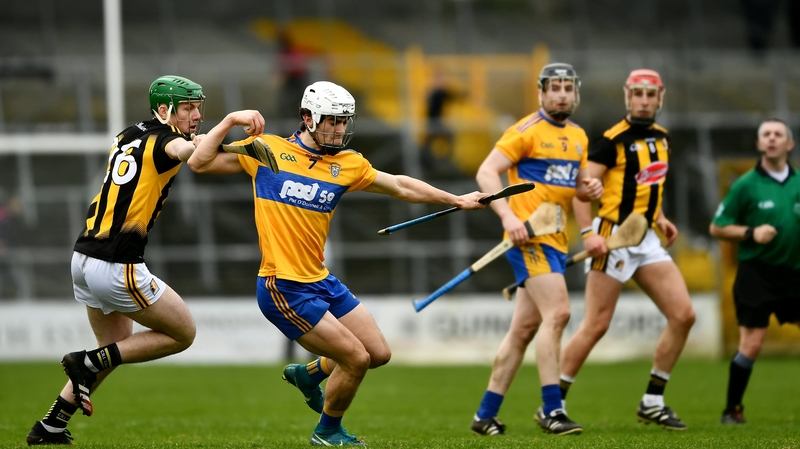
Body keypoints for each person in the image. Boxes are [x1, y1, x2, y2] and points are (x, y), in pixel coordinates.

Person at [187, 80, 488, 446]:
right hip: (281, 285)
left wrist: (455, 199)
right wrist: (232, 119)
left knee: (378, 353)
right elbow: (199, 162)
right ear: (308, 118)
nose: (339, 129)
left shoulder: (348, 164)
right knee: (356, 359)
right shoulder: (267, 151)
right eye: (332, 121)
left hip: (321, 279)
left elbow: (400, 185)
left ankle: (310, 374)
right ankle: (327, 431)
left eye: (344, 122)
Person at [26, 75, 206, 445]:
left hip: (83, 258)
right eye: (188, 107)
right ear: (163, 109)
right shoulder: (166, 142)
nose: (196, 114)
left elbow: (181, 146)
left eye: (197, 107)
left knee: (115, 349)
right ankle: (86, 362)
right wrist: (234, 121)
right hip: (117, 264)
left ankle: (51, 425)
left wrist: (200, 139)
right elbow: (192, 156)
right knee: (183, 333)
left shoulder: (129, 133)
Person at [470, 63, 603, 436]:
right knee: (558, 313)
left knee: (524, 328)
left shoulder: (578, 136)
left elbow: (577, 187)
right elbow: (486, 172)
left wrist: (588, 191)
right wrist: (507, 216)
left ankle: (485, 414)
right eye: (554, 87)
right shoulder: (525, 130)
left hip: (556, 239)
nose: (562, 94)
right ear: (541, 92)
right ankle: (552, 410)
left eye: (567, 88)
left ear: (575, 93)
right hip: (528, 238)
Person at [559, 69, 696, 431]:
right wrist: (588, 232)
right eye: (638, 93)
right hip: (612, 236)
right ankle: (552, 403)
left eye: (651, 95)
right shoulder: (611, 140)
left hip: (646, 237)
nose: (645, 100)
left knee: (683, 315)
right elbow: (582, 189)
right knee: (596, 325)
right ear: (627, 96)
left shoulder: (663, 139)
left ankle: (652, 400)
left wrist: (661, 216)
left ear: (660, 98)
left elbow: (649, 184)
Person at [709, 118, 800, 424]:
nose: (772, 139)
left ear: (789, 144)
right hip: (757, 274)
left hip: (794, 273)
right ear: (759, 144)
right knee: (752, 343)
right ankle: (732, 410)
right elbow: (717, 228)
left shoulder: (799, 182)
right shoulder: (745, 185)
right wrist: (750, 233)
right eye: (766, 135)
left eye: (778, 134)